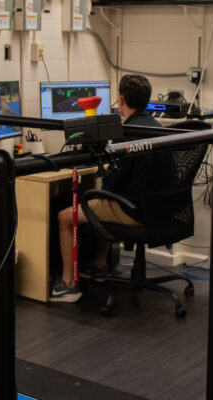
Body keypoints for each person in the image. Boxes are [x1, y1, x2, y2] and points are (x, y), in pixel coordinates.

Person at [49, 74, 160, 303]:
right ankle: (100, 266)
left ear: (120, 100)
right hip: (155, 207)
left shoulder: (126, 134)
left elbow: (112, 185)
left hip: (133, 210)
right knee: (99, 202)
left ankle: (69, 283)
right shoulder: (156, 126)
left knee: (64, 216)